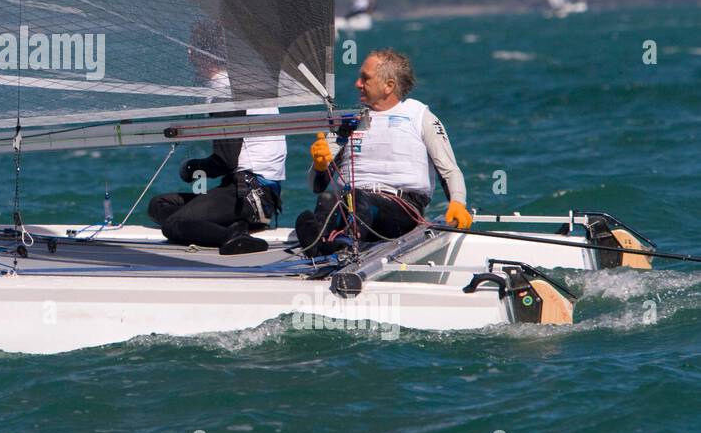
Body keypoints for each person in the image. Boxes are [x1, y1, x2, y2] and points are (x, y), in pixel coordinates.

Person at [294, 48, 472, 257]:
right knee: (327, 198)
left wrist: (458, 203)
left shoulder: (420, 116)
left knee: (357, 198)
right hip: (349, 204)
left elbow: (450, 171)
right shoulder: (349, 121)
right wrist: (319, 165)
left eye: (365, 78)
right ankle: (320, 245)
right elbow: (317, 185)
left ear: (389, 86)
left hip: (400, 211)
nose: (357, 84)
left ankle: (341, 244)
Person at [147, 20, 285, 255]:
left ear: (198, 53)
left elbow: (226, 161)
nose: (189, 53)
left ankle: (233, 235)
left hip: (252, 195)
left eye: (192, 47)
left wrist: (193, 167)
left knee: (173, 225)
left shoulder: (227, 91)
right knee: (159, 205)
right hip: (244, 191)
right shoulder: (239, 82)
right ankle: (230, 225)